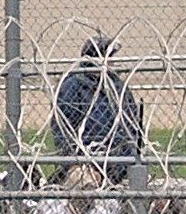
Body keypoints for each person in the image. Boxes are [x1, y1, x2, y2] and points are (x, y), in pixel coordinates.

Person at [50, 36, 144, 186]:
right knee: (85, 183)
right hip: (83, 162)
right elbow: (63, 130)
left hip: (116, 162)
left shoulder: (117, 87)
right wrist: (76, 163)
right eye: (108, 57)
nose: (111, 62)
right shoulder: (72, 87)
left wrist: (121, 165)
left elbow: (130, 129)